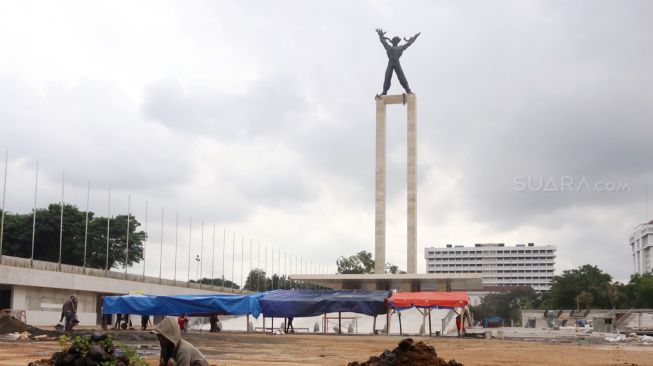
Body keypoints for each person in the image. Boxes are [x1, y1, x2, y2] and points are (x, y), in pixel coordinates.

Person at [375, 28, 420, 95]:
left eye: (396, 40)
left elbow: (409, 44)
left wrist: (414, 38)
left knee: (401, 77)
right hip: (391, 63)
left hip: (396, 63)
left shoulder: (400, 48)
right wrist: (380, 36)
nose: (395, 41)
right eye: (394, 40)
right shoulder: (389, 47)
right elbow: (383, 42)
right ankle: (385, 91)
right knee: (387, 77)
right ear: (393, 41)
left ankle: (408, 90)